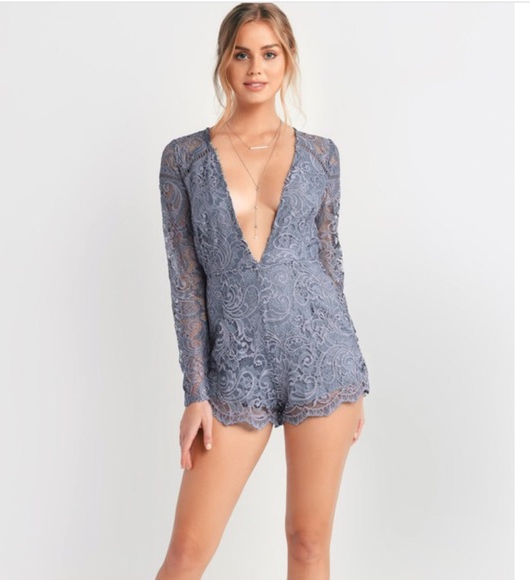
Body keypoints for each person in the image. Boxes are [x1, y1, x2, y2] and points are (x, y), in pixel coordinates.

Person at [156, 3, 370, 578]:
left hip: (323, 361)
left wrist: (355, 376)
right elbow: (185, 282)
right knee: (186, 552)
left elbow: (330, 262)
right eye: (242, 54)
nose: (256, 68)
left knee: (308, 542)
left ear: (288, 59)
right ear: (224, 62)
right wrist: (196, 392)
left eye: (269, 54)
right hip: (235, 368)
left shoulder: (322, 155)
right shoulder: (183, 159)